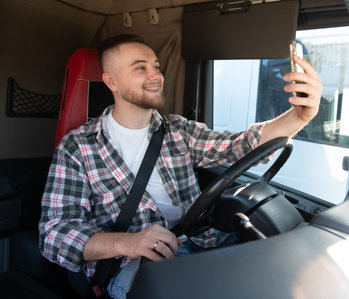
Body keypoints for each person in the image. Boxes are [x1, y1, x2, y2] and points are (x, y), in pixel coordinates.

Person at [39, 34, 323, 298]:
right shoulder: (78, 147)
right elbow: (54, 233)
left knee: (285, 272)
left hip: (204, 242)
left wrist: (299, 116)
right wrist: (129, 243)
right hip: (136, 265)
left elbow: (241, 144)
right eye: (140, 68)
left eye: (156, 66)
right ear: (111, 81)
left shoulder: (178, 129)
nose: (156, 76)